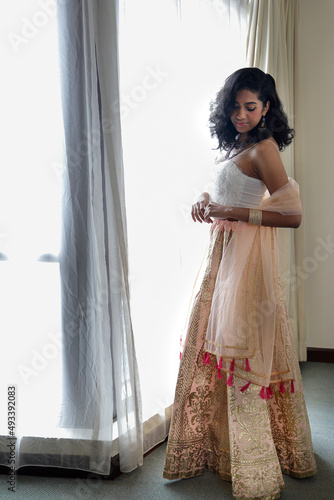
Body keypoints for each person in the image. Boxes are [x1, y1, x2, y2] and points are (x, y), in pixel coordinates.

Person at [163, 68, 317, 499]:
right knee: (211, 343)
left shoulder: (264, 149)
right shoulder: (238, 145)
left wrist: (232, 211)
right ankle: (217, 446)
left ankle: (253, 459)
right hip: (223, 259)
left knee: (240, 349)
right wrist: (207, 200)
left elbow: (292, 215)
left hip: (244, 266)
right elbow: (233, 193)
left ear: (267, 107)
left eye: (251, 107)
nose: (241, 114)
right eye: (234, 107)